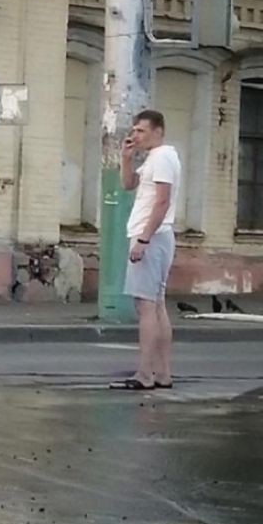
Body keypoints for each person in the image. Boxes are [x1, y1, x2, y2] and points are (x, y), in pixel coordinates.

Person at [110, 110, 182, 391]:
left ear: (158, 131)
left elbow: (161, 202)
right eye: (135, 130)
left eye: (141, 131)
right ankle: (162, 373)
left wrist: (143, 239)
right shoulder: (157, 158)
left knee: (146, 307)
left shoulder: (162, 157)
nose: (135, 135)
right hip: (157, 237)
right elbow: (128, 185)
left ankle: (145, 374)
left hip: (151, 237)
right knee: (157, 304)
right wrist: (126, 159)